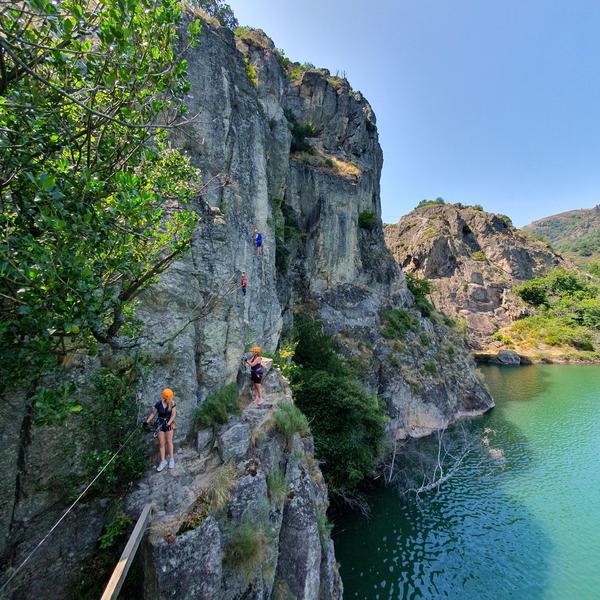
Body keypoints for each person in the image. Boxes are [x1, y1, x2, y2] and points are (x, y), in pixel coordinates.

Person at [144, 388, 177, 471]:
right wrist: (147, 422)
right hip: (160, 424)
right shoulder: (159, 404)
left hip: (169, 423)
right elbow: (153, 413)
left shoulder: (172, 403)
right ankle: (163, 461)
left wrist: (168, 424)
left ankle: (171, 459)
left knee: (169, 441)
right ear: (164, 397)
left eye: (169, 398)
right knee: (161, 443)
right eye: (167, 398)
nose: (168, 399)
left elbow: (173, 415)